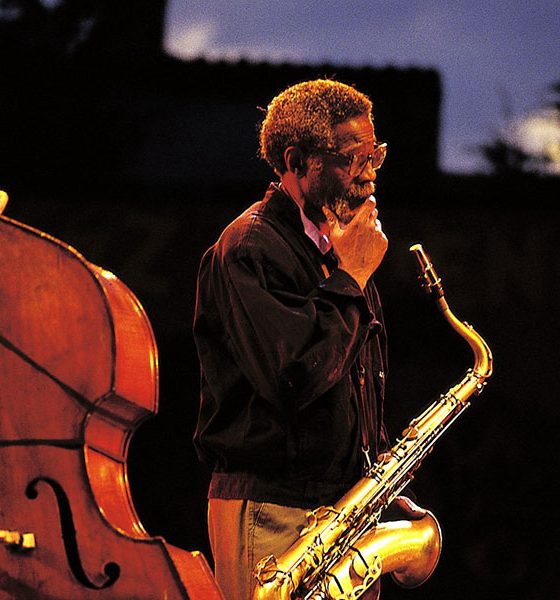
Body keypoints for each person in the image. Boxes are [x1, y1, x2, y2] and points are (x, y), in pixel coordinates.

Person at [193, 78, 425, 600]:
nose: (368, 176)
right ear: (298, 162)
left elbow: (349, 382)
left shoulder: (337, 247)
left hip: (340, 512)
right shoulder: (250, 248)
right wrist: (351, 280)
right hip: (275, 512)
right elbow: (294, 379)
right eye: (351, 158)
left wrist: (373, 486)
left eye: (375, 155)